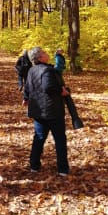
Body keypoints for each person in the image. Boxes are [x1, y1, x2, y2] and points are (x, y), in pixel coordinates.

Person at [23, 46, 70, 176]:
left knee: (39, 138)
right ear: (39, 57)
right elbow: (48, 87)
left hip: (38, 110)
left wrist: (25, 98)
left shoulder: (31, 70)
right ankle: (63, 169)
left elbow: (27, 87)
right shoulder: (47, 70)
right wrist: (62, 91)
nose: (46, 53)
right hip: (52, 111)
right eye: (44, 52)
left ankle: (34, 166)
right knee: (59, 139)